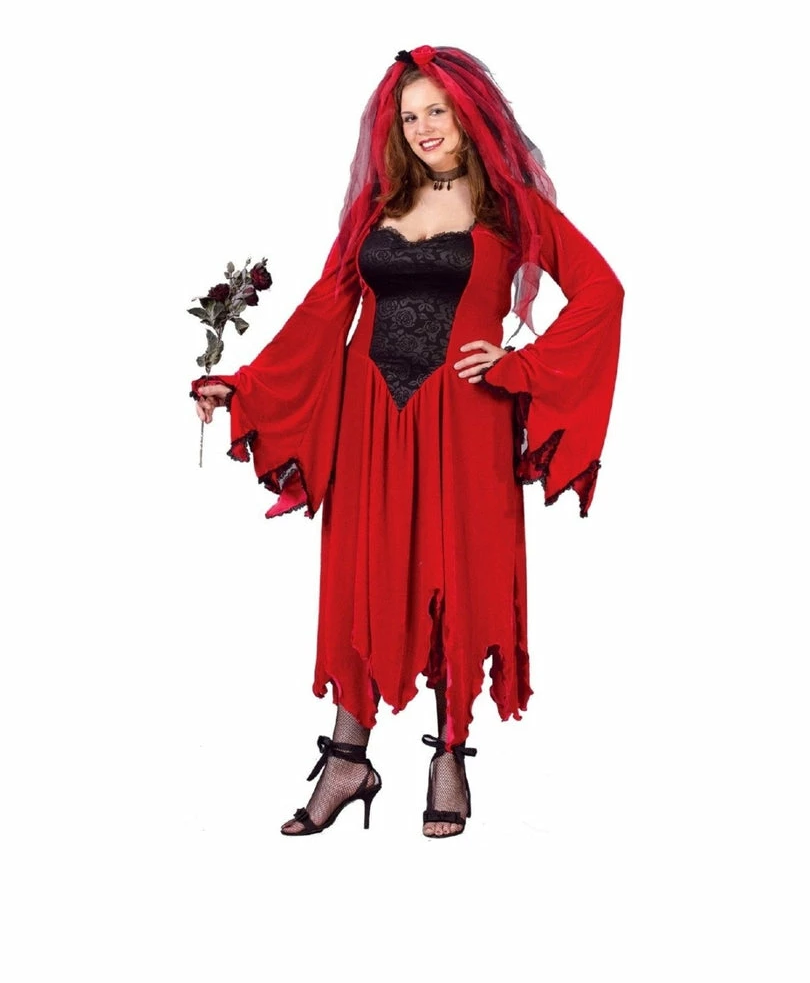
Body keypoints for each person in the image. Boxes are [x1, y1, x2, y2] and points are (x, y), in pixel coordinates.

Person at [192, 45, 624, 838]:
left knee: (458, 570)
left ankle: (450, 753)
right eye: (409, 115)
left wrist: (522, 365)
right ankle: (349, 759)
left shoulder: (513, 207)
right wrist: (243, 383)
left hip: (465, 418)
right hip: (371, 418)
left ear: (469, 115)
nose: (423, 127)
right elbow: (326, 308)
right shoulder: (377, 208)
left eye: (437, 111)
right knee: (364, 571)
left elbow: (602, 291)